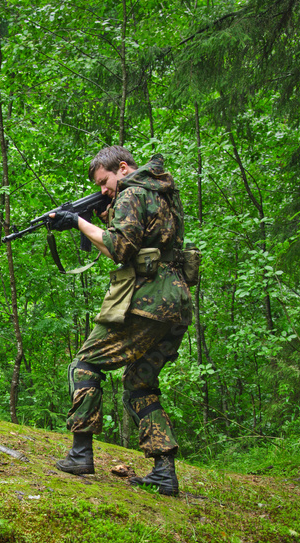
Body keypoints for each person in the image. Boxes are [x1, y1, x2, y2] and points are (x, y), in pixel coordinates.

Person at [46, 146, 192, 496]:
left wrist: (78, 222)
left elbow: (120, 248)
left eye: (104, 182)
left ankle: (81, 453)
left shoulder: (132, 193)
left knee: (84, 365)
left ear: (122, 168)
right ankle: (163, 472)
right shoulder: (163, 192)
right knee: (140, 383)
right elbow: (143, 240)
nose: (103, 190)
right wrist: (103, 211)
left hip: (146, 301)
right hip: (176, 302)